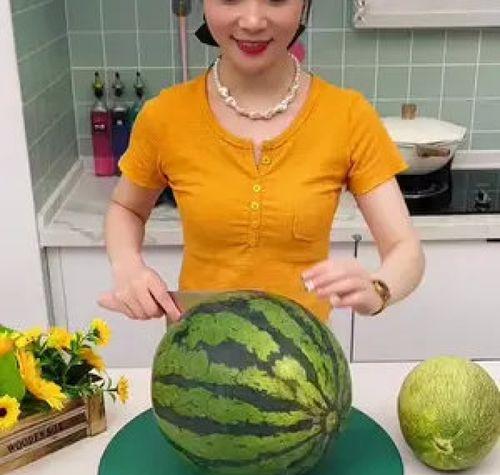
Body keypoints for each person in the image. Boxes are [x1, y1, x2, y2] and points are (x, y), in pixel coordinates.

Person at [98, 0, 424, 325]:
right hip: (196, 348)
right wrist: (128, 266)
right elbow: (126, 209)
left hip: (301, 351)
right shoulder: (165, 116)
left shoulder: (348, 116)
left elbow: (405, 248)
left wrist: (379, 289)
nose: (252, 21)